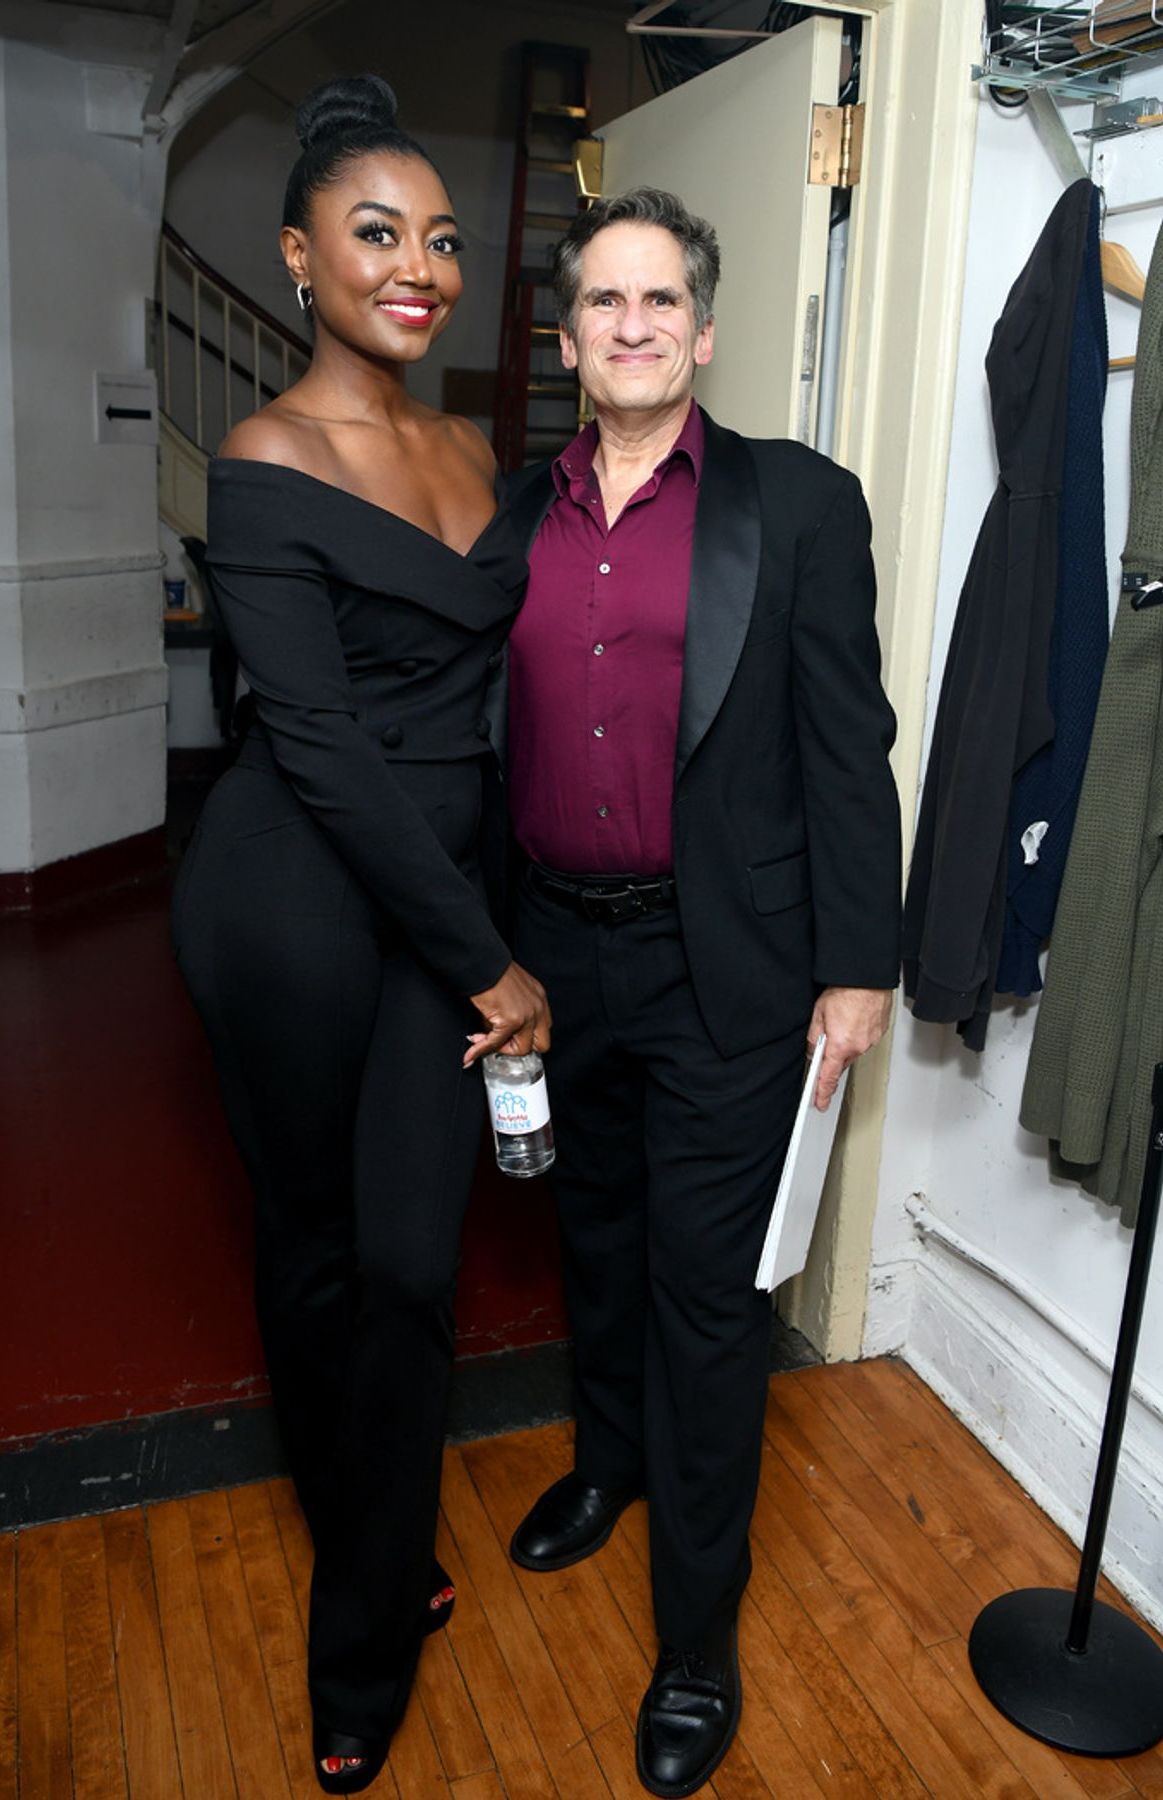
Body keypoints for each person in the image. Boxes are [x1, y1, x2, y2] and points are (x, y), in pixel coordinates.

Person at [170, 76, 550, 1796]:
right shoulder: (261, 460)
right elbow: (312, 741)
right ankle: (369, 1595)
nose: (420, 267)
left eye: (444, 237)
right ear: (298, 254)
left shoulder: (478, 451)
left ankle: (372, 1574)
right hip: (297, 895)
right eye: (377, 233)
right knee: (319, 1246)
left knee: (412, 1264)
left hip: (443, 894)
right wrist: (491, 960)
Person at [500, 188, 901, 1798]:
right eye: (604, 301)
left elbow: (847, 749)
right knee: (590, 1239)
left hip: (725, 965)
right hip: (553, 954)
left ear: (706, 330)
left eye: (661, 299)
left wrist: (859, 965)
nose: (635, 323)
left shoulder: (795, 507)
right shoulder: (515, 512)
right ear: (572, 337)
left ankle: (696, 1637)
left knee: (708, 1300)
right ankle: (607, 1468)